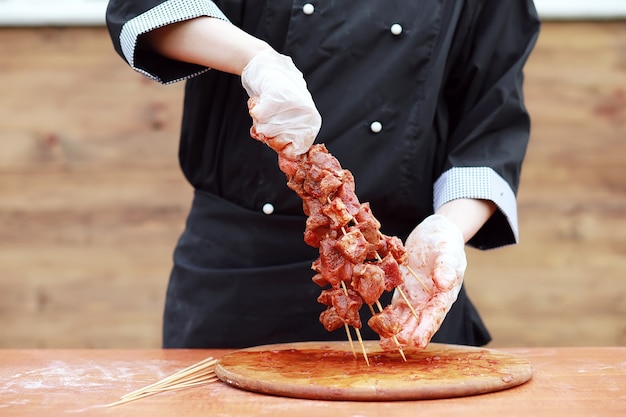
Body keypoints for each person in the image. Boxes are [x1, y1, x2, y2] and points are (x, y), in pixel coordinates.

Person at [105, 0, 540, 349]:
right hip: (238, 276)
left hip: (403, 279)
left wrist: (447, 228)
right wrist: (256, 60)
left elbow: (491, 124)